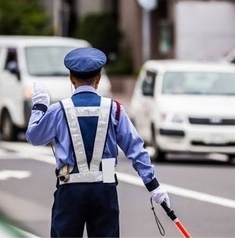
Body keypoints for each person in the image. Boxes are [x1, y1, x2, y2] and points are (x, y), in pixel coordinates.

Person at [26, 47, 170, 238]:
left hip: (68, 188)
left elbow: (34, 137)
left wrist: (39, 107)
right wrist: (153, 185)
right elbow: (136, 149)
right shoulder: (115, 109)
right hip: (105, 189)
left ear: (71, 78)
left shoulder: (59, 110)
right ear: (99, 78)